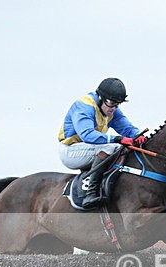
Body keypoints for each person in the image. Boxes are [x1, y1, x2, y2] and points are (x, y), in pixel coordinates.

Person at [58, 77, 147, 209]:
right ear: (100, 98)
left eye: (117, 104)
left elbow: (127, 128)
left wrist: (138, 136)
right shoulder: (85, 106)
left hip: (90, 150)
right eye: (111, 103)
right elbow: (87, 134)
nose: (114, 108)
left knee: (121, 148)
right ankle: (90, 193)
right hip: (70, 150)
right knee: (113, 147)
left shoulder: (111, 109)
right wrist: (118, 139)